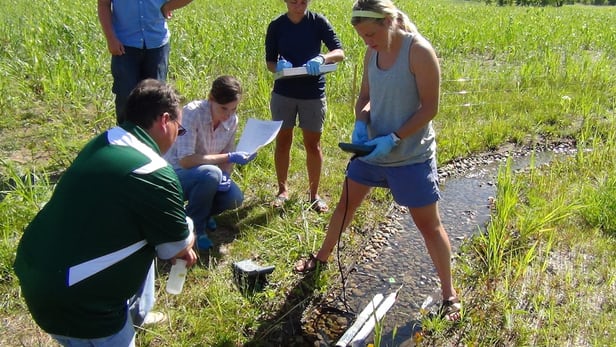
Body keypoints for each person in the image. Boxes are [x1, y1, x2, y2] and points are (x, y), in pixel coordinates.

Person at [293, 0, 461, 322]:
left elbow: (429, 108)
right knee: (345, 205)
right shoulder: (372, 52)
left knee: (428, 225)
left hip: (411, 154)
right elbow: (365, 99)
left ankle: (449, 294)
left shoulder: (419, 52)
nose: (367, 41)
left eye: (371, 33)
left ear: (388, 21)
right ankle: (321, 258)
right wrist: (361, 122)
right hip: (372, 150)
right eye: (362, 36)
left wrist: (394, 138)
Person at [13, 79, 198, 346]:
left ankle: (136, 314)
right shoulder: (154, 171)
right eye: (178, 131)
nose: (176, 137)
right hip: (78, 303)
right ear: (164, 120)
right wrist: (187, 227)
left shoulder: (105, 140)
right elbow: (177, 249)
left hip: (35, 266)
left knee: (145, 238)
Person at [265, 0, 345, 213]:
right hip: (284, 92)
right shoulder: (277, 25)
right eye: (293, 1)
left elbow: (339, 51)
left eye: (303, 1)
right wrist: (278, 67)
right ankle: (282, 190)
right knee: (283, 142)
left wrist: (322, 58)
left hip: (312, 93)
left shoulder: (318, 22)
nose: (298, 5)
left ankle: (314, 194)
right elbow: (270, 62)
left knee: (313, 144)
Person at [164, 75, 256, 250]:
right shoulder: (192, 113)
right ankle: (195, 230)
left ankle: (199, 214)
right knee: (210, 173)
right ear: (211, 99)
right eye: (224, 109)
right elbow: (185, 160)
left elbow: (226, 151)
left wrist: (226, 175)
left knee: (234, 197)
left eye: (234, 109)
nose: (228, 115)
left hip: (207, 175)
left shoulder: (232, 120)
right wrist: (228, 158)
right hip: (176, 175)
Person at [98, 0, 194, 124]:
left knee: (156, 98)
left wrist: (168, 6)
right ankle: (124, 137)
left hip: (157, 44)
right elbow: (103, 4)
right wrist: (111, 39)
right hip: (124, 45)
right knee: (125, 96)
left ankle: (152, 140)